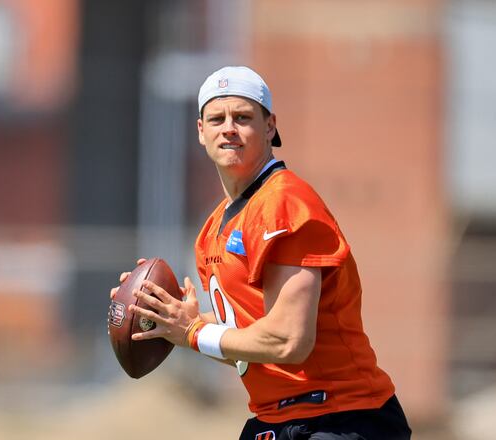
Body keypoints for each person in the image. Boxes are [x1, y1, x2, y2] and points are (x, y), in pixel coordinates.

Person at [110, 66, 411, 439]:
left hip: (342, 415)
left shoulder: (284, 201)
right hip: (276, 419)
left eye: (243, 117)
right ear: (200, 131)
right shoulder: (212, 230)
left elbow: (289, 340)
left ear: (269, 126)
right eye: (217, 118)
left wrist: (193, 331)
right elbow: (244, 348)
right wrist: (168, 322)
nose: (229, 128)